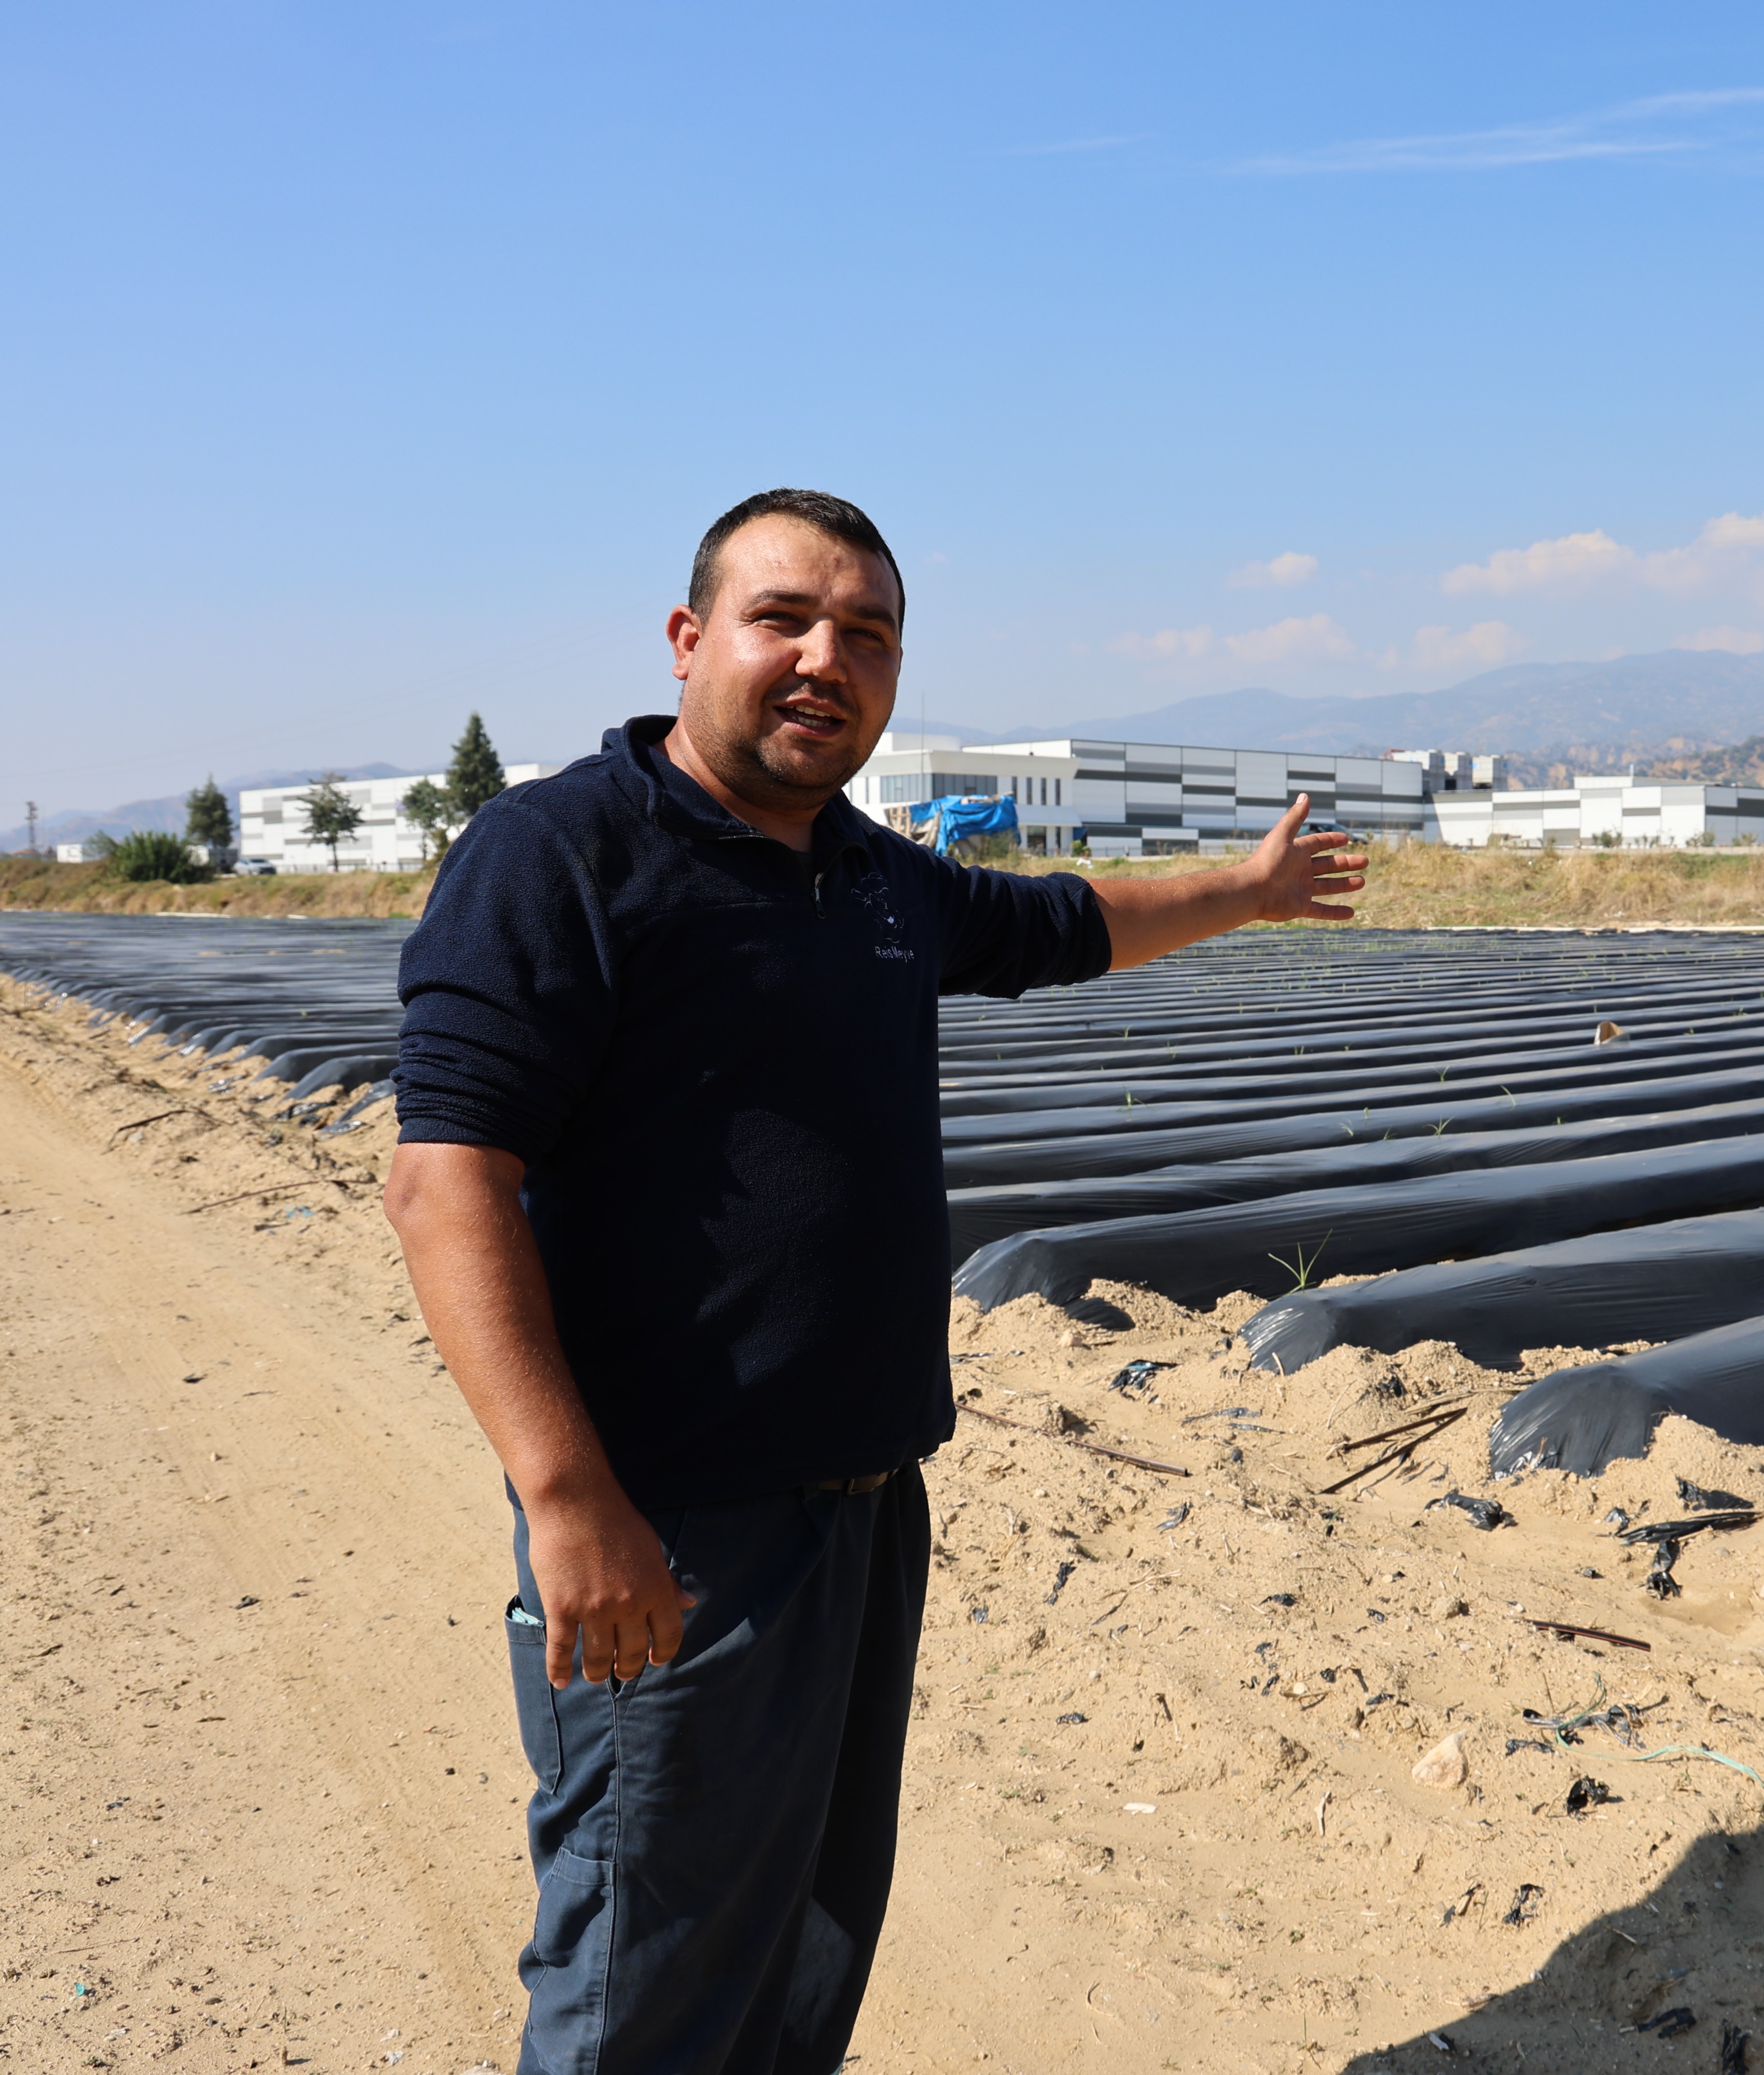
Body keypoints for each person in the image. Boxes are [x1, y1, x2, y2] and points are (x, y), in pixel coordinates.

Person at [382, 489, 1365, 2073]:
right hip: (671, 1528)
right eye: (784, 619)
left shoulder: (872, 875)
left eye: (869, 634)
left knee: (806, 1949)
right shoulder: (561, 851)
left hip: (859, 1505)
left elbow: (1070, 923)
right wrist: (567, 1499)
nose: (825, 657)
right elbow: (445, 1183)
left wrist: (1244, 895)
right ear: (692, 640)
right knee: (648, 1973)